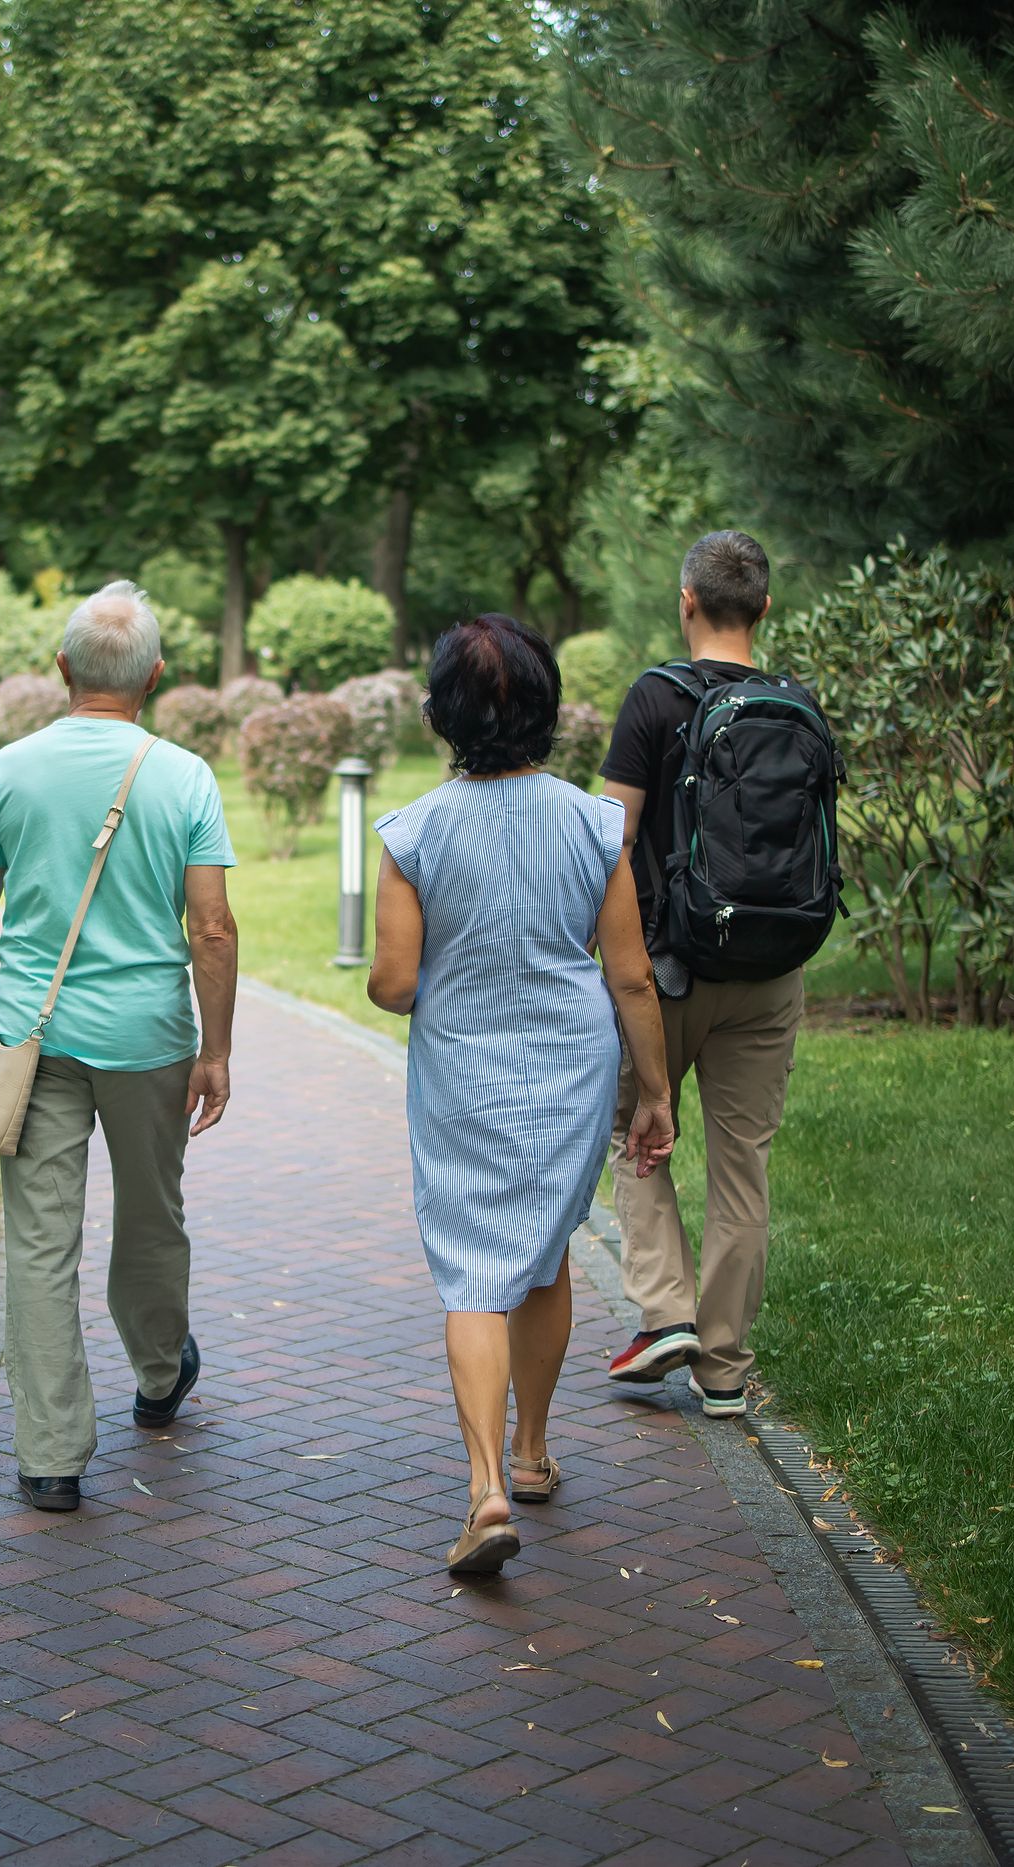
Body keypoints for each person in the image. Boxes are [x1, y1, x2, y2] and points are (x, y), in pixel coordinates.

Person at [368, 613, 677, 1575]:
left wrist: (421, 976)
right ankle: (537, 1451)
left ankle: (486, 1488)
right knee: (544, 1253)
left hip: (463, 1067)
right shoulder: (596, 823)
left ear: (442, 715)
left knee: (470, 1271)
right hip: (572, 1066)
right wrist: (655, 1092)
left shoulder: (413, 834)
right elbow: (630, 976)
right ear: (546, 710)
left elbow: (395, 982)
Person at [0, 581, 240, 1513]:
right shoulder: (184, 773)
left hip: (34, 1035)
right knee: (153, 1216)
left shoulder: (12, 767)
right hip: (149, 1037)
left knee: (39, 1240)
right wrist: (217, 1048)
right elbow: (213, 928)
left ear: (64, 668)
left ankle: (49, 1455)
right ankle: (159, 1378)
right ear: (154, 677)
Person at [597, 530, 808, 1418]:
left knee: (630, 1129)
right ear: (764, 608)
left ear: (685, 600)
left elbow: (607, 838)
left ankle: (666, 1311)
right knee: (741, 1169)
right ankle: (724, 1367)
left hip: (668, 966)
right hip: (771, 969)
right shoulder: (798, 703)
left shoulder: (655, 699)